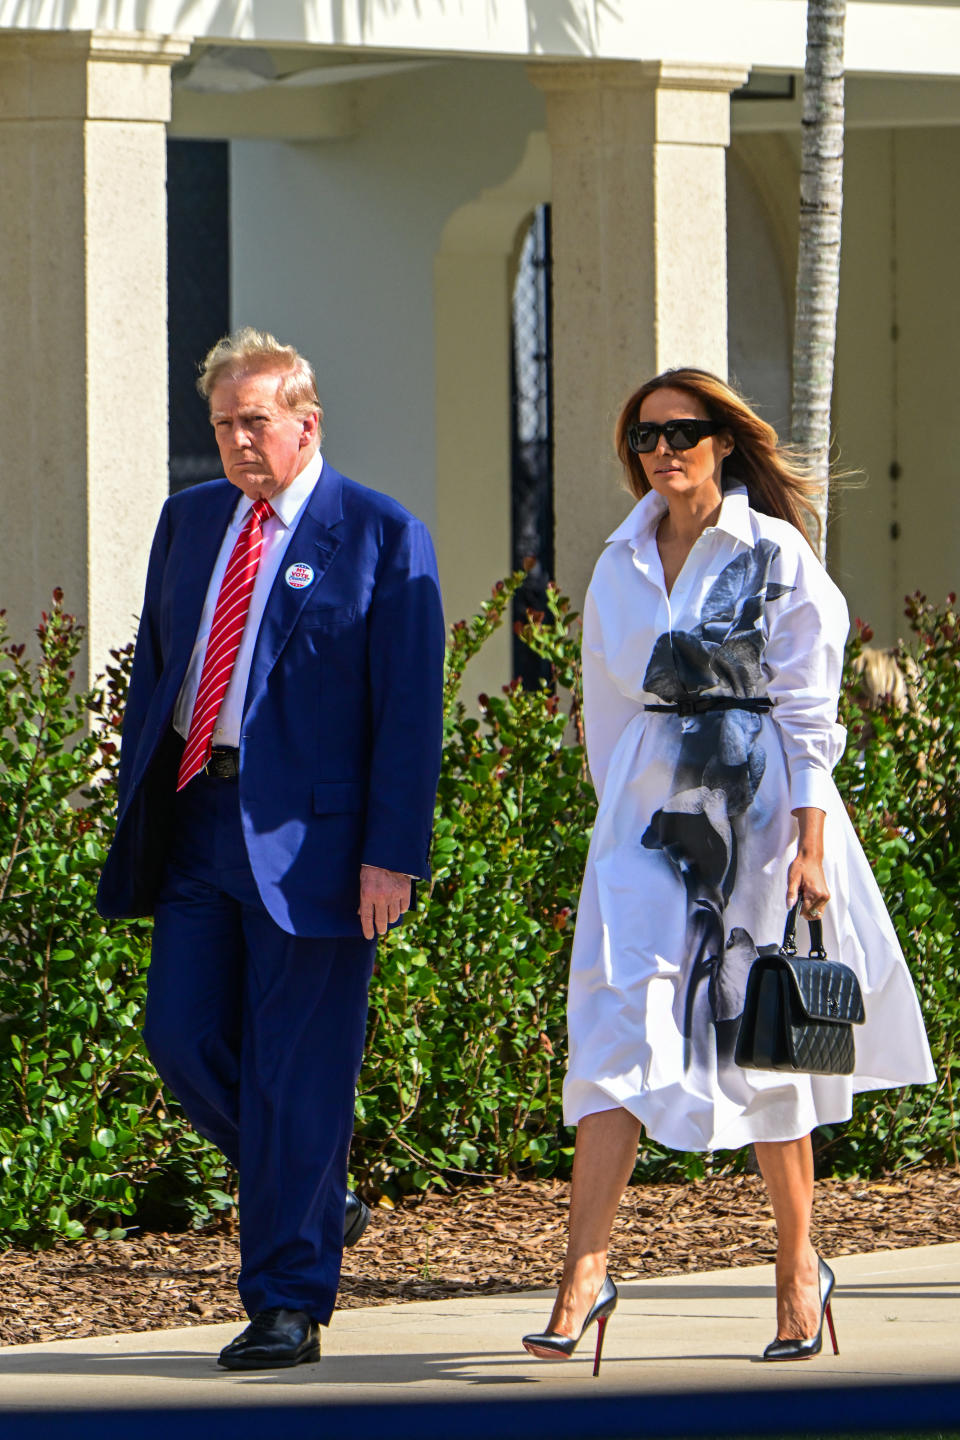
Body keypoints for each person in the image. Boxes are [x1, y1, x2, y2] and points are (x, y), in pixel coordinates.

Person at [522, 368, 934, 1373]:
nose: (664, 450)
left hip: (759, 808)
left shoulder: (775, 554)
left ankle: (800, 1266)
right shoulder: (619, 562)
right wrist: (617, 823)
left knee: (767, 1039)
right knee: (618, 1019)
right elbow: (607, 712)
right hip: (646, 817)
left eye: (684, 432)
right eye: (647, 437)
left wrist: (809, 843)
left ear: (722, 442)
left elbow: (807, 708)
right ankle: (586, 1269)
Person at [97, 328, 445, 1369]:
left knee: (303, 1075)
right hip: (203, 818)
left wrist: (394, 853)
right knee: (179, 1034)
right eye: (222, 425)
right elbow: (161, 667)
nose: (240, 443)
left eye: (257, 422)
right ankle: (319, 1194)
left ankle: (288, 1303)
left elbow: (408, 715)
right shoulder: (190, 520)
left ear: (308, 421)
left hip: (323, 850)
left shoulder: (381, 534)